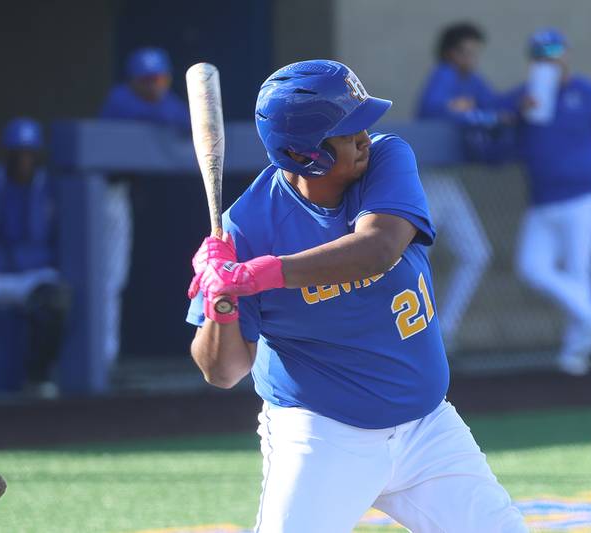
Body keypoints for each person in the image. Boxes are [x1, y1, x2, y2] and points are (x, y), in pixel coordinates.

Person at [186, 60, 527, 532]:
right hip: (322, 434)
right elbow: (223, 371)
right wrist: (220, 300)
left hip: (428, 429)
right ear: (307, 155)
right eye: (347, 131)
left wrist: (256, 274)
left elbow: (378, 248)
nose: (366, 135)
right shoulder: (247, 228)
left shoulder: (387, 159)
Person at [500, 29, 591, 375]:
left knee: (578, 271)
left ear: (567, 55)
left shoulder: (589, 93)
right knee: (531, 267)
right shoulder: (526, 95)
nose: (549, 60)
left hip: (585, 198)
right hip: (542, 200)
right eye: (541, 55)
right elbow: (495, 115)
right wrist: (516, 110)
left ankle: (576, 354)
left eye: (555, 52)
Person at [0, 118, 71, 396]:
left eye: (29, 153)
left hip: (31, 274)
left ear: (37, 156)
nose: (23, 160)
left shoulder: (51, 190)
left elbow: (65, 236)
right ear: (6, 153)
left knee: (57, 300)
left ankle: (37, 377)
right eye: (17, 153)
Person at [98, 47, 190, 372]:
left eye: (160, 80)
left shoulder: (163, 104)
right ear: (133, 82)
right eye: (147, 81)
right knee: (101, 280)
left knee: (113, 278)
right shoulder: (120, 100)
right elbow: (165, 117)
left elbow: (183, 117)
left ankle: (106, 356)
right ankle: (98, 360)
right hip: (95, 195)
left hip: (119, 195)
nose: (154, 87)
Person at [415, 23, 498, 347]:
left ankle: (442, 331)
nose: (472, 58)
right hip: (426, 179)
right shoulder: (444, 75)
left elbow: (495, 102)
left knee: (476, 253)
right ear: (451, 53)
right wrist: (475, 114)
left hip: (448, 180)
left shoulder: (471, 81)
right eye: (467, 51)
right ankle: (412, 334)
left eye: (475, 51)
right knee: (415, 257)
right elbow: (436, 107)